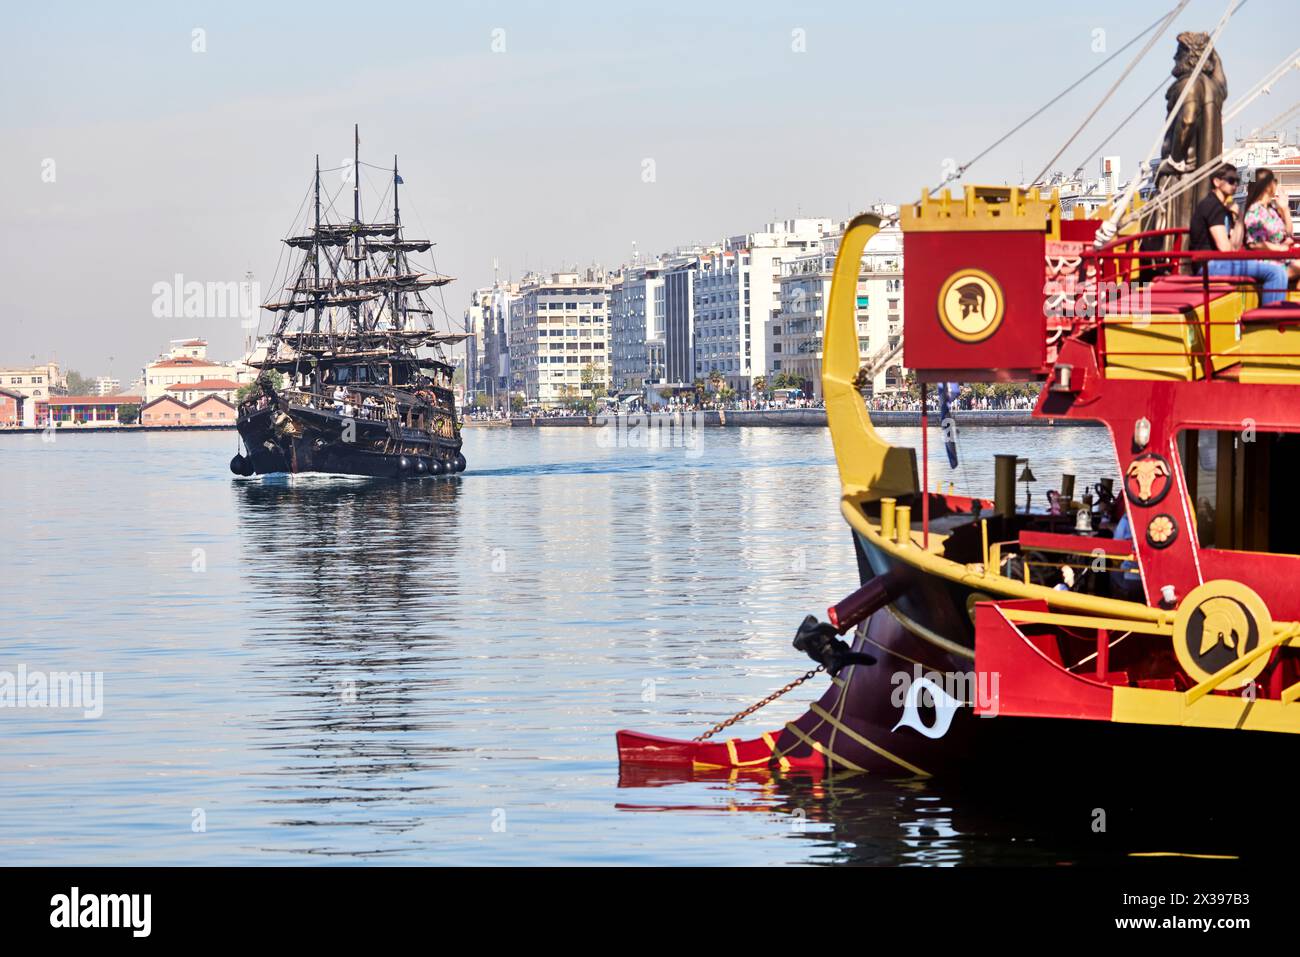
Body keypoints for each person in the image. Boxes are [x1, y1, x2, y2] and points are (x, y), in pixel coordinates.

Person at [1189, 163, 1288, 305]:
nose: (1235, 185)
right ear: (1217, 182)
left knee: (1277, 270)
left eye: (1237, 181)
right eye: (1230, 180)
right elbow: (1225, 249)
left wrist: (1240, 217)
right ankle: (1271, 317)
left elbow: (1234, 248)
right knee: (1275, 272)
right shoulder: (1212, 206)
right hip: (1208, 265)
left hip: (1220, 262)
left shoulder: (1225, 208)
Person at [1243, 167, 1299, 286]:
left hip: (1280, 258)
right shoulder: (1254, 211)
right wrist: (1281, 248)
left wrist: (1285, 210)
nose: (1276, 184)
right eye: (1275, 181)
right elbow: (1255, 243)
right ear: (1268, 186)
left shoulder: (1271, 210)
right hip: (1267, 261)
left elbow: (1288, 233)